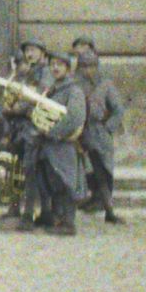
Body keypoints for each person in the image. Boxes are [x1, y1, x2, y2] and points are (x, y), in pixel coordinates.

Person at [35, 50, 89, 236]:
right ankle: (58, 219)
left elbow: (75, 117)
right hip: (48, 146)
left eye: (60, 64)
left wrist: (52, 132)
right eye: (52, 64)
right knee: (53, 183)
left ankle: (68, 222)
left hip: (63, 145)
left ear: (68, 68)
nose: (55, 68)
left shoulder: (74, 90)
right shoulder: (51, 89)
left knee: (67, 183)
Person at [75, 40, 127, 224]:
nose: (88, 70)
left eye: (91, 66)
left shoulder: (106, 85)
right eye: (84, 67)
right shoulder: (75, 86)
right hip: (79, 133)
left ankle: (109, 210)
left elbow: (118, 110)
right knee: (84, 171)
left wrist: (108, 127)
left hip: (99, 133)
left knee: (104, 171)